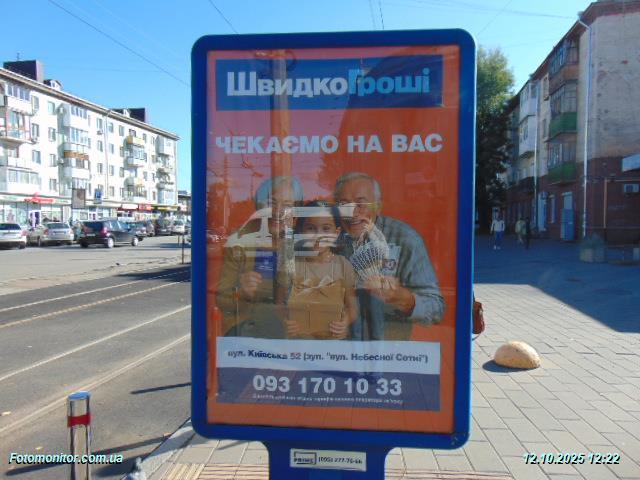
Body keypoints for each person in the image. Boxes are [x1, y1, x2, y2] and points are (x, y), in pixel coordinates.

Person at [333, 172, 445, 341]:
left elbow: (436, 309)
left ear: (378, 206)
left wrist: (403, 298)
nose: (352, 213)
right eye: (344, 204)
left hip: (390, 350)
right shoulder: (327, 237)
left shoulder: (405, 239)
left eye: (361, 204)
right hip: (336, 349)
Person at [216, 176, 304, 338]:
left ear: (296, 213)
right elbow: (222, 300)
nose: (278, 212)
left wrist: (304, 322)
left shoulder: (304, 243)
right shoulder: (239, 243)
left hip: (292, 331)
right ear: (260, 207)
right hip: (247, 331)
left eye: (287, 205)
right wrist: (241, 292)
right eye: (271, 203)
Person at [285, 201, 358, 340]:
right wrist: (285, 321)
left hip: (331, 343)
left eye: (326, 229)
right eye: (311, 228)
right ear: (301, 231)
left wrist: (345, 323)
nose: (318, 235)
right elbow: (278, 304)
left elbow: (352, 308)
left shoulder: (343, 265)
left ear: (336, 233)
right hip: (297, 341)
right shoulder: (292, 264)